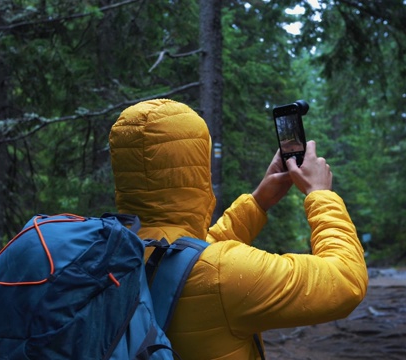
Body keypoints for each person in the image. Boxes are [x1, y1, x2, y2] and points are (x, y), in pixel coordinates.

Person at [109, 98, 368, 360]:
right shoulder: (223, 274)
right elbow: (346, 281)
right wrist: (320, 194)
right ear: (196, 171)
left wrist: (258, 202)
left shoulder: (112, 252)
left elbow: (187, 258)